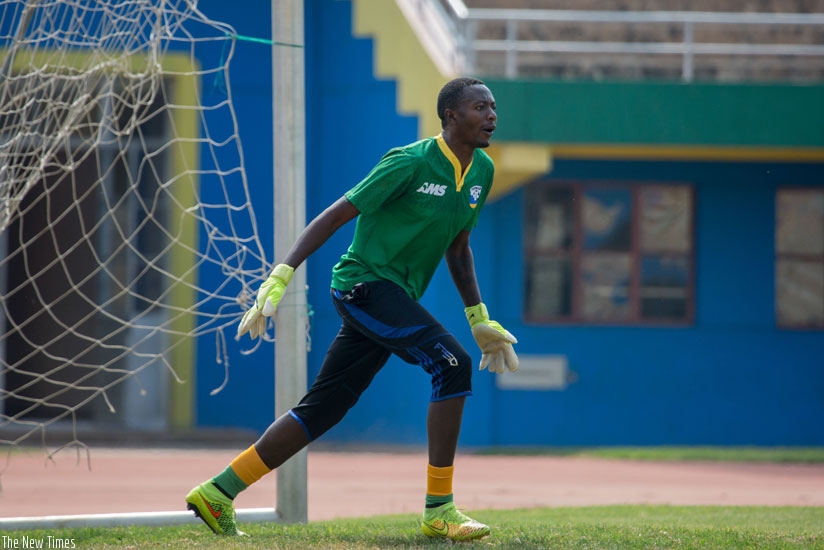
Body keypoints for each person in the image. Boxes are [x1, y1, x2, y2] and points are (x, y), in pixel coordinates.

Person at [185, 76, 519, 541]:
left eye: (493, 107)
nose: (491, 116)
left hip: (394, 296)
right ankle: (439, 510)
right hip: (362, 286)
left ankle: (218, 491)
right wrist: (282, 274)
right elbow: (336, 214)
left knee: (324, 410)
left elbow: (459, 247)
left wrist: (478, 317)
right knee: (451, 363)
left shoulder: (481, 170)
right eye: (481, 107)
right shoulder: (408, 162)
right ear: (450, 116)